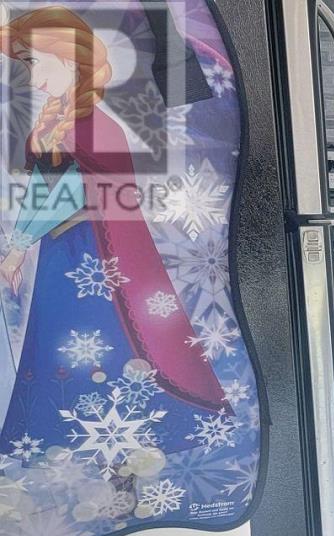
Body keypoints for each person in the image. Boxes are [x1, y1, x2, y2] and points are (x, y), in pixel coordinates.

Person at [0, 6, 227, 491]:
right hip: (77, 254)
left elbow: (60, 193)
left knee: (97, 350)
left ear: (72, 63)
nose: (33, 76)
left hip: (91, 259)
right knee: (81, 354)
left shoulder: (85, 122)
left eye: (38, 63)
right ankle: (97, 457)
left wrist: (17, 247)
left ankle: (117, 461)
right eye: (27, 65)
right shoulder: (69, 117)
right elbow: (51, 186)